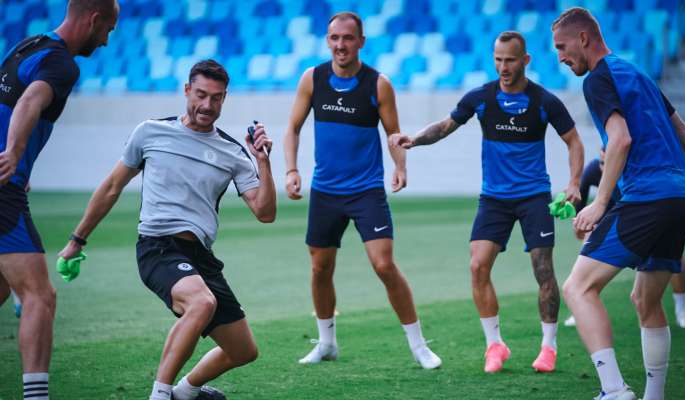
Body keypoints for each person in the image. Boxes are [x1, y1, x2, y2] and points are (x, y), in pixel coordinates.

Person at [57, 60, 276, 400]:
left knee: (243, 351)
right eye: (201, 94)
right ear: (187, 90)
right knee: (201, 303)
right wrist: (76, 240)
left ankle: (186, 392)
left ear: (224, 99)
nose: (207, 105)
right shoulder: (150, 132)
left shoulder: (233, 152)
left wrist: (263, 161)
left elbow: (265, 212)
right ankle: (159, 395)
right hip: (157, 247)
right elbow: (112, 186)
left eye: (216, 98)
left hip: (200, 257)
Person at [390, 31, 584, 374]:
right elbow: (446, 126)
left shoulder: (544, 101)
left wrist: (573, 182)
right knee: (478, 266)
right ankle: (495, 345)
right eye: (498, 60)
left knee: (542, 270)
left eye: (510, 60)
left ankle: (548, 347)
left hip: (533, 196)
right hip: (494, 198)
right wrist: (415, 140)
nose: (503, 67)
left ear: (525, 60)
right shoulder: (481, 97)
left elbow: (573, 141)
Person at [553, 7, 685, 400]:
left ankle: (614, 390)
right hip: (684, 198)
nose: (561, 58)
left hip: (648, 198)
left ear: (584, 39)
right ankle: (655, 396)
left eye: (562, 48)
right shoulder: (638, 74)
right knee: (645, 300)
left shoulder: (598, 80)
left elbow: (619, 140)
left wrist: (600, 202)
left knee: (578, 289)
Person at [283, 12, 441, 369]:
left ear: (361, 42)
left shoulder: (378, 84)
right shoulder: (313, 79)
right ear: (328, 40)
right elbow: (292, 128)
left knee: (383, 265)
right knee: (320, 268)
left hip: (366, 191)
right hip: (325, 192)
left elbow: (394, 135)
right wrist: (292, 170)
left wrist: (401, 166)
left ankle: (418, 345)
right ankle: (326, 343)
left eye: (348, 38)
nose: (341, 45)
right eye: (335, 38)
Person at [0, 1, 119, 398]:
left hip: (11, 182)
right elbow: (30, 102)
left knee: (3, 287)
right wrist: (14, 156)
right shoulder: (62, 64)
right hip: (4, 189)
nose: (106, 40)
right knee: (39, 295)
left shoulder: (26, 46)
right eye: (108, 30)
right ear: (94, 19)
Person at [564, 150, 685, 329]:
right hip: (613, 215)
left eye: (610, 159)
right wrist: (582, 225)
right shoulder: (593, 171)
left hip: (641, 211)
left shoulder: (634, 170)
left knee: (673, 257)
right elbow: (580, 219)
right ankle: (581, 306)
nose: (605, 168)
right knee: (589, 247)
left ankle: (682, 310)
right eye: (602, 162)